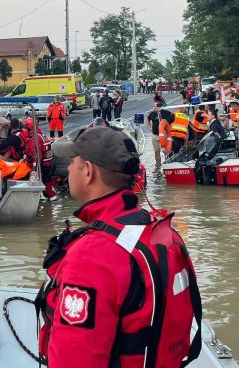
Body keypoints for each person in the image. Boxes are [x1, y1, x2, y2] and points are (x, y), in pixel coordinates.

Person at [38, 126, 202, 368]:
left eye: (73, 161)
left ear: (88, 172)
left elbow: (74, 361)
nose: (69, 169)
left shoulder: (92, 255)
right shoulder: (155, 229)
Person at [144, 101, 163, 169]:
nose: (154, 107)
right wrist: (149, 127)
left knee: (166, 151)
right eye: (154, 106)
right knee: (156, 152)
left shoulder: (164, 113)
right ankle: (158, 165)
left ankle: (167, 164)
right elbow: (147, 119)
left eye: (155, 106)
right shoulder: (152, 113)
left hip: (163, 136)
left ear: (159, 107)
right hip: (155, 136)